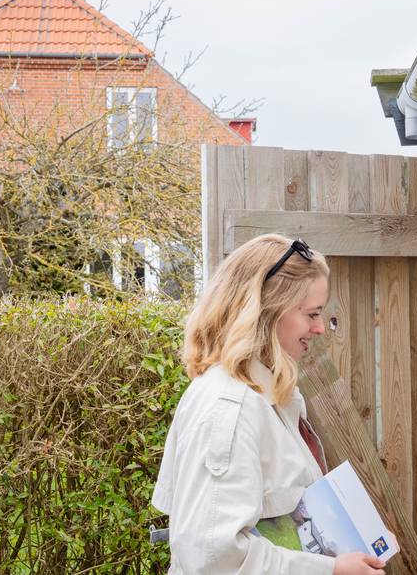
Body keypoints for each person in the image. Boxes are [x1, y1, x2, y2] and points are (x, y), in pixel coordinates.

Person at [152, 234, 386, 575]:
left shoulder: (268, 396)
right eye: (312, 314)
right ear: (266, 311)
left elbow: (283, 520)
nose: (320, 328)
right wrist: (331, 570)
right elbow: (214, 559)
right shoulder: (229, 408)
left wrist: (357, 545)